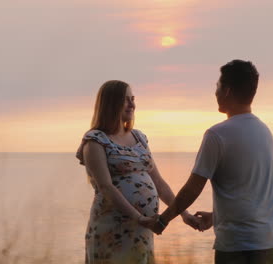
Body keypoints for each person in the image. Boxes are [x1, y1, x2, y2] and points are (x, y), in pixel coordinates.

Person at [141, 60, 273, 264]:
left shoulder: (217, 135)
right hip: (271, 243)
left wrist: (163, 220)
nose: (215, 92)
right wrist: (217, 216)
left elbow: (192, 188)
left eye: (217, 86)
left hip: (237, 246)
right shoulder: (264, 131)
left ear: (226, 91)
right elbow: (254, 193)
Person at [76, 80, 200, 264]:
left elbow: (158, 182)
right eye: (126, 100)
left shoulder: (139, 137)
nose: (132, 104)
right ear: (111, 103)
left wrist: (184, 213)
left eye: (133, 99)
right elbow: (106, 187)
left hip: (142, 230)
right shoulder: (95, 141)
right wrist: (139, 218)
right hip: (113, 229)